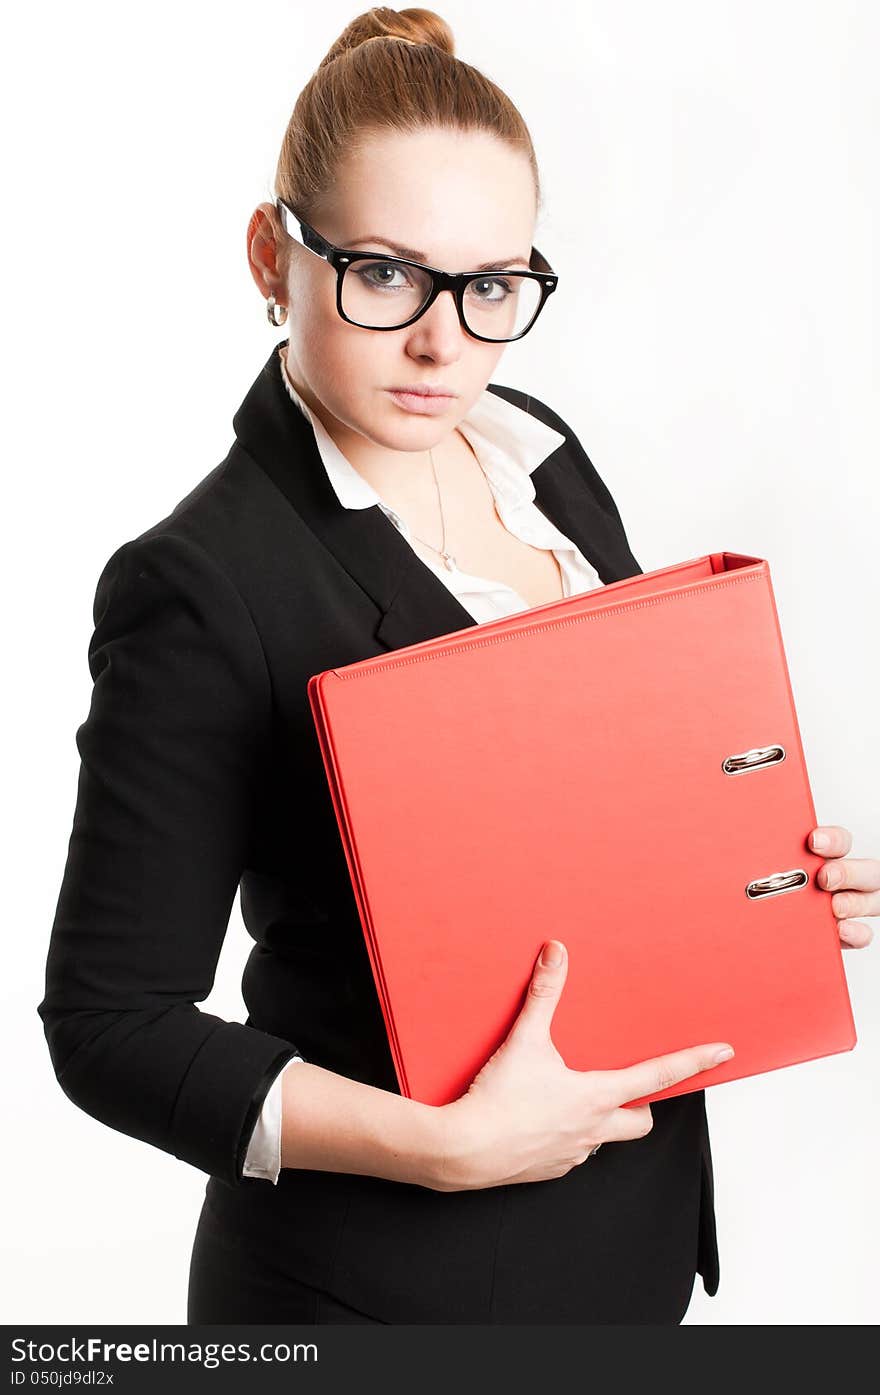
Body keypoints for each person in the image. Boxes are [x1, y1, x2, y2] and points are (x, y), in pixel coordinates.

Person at [37, 6, 876, 1326]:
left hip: (631, 1251)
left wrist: (766, 876)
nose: (444, 344)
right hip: (387, 1293)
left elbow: (598, 783)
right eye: (385, 274)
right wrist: (441, 1146)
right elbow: (109, 1026)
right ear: (275, 254)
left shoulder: (530, 447)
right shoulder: (199, 583)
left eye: (492, 287)